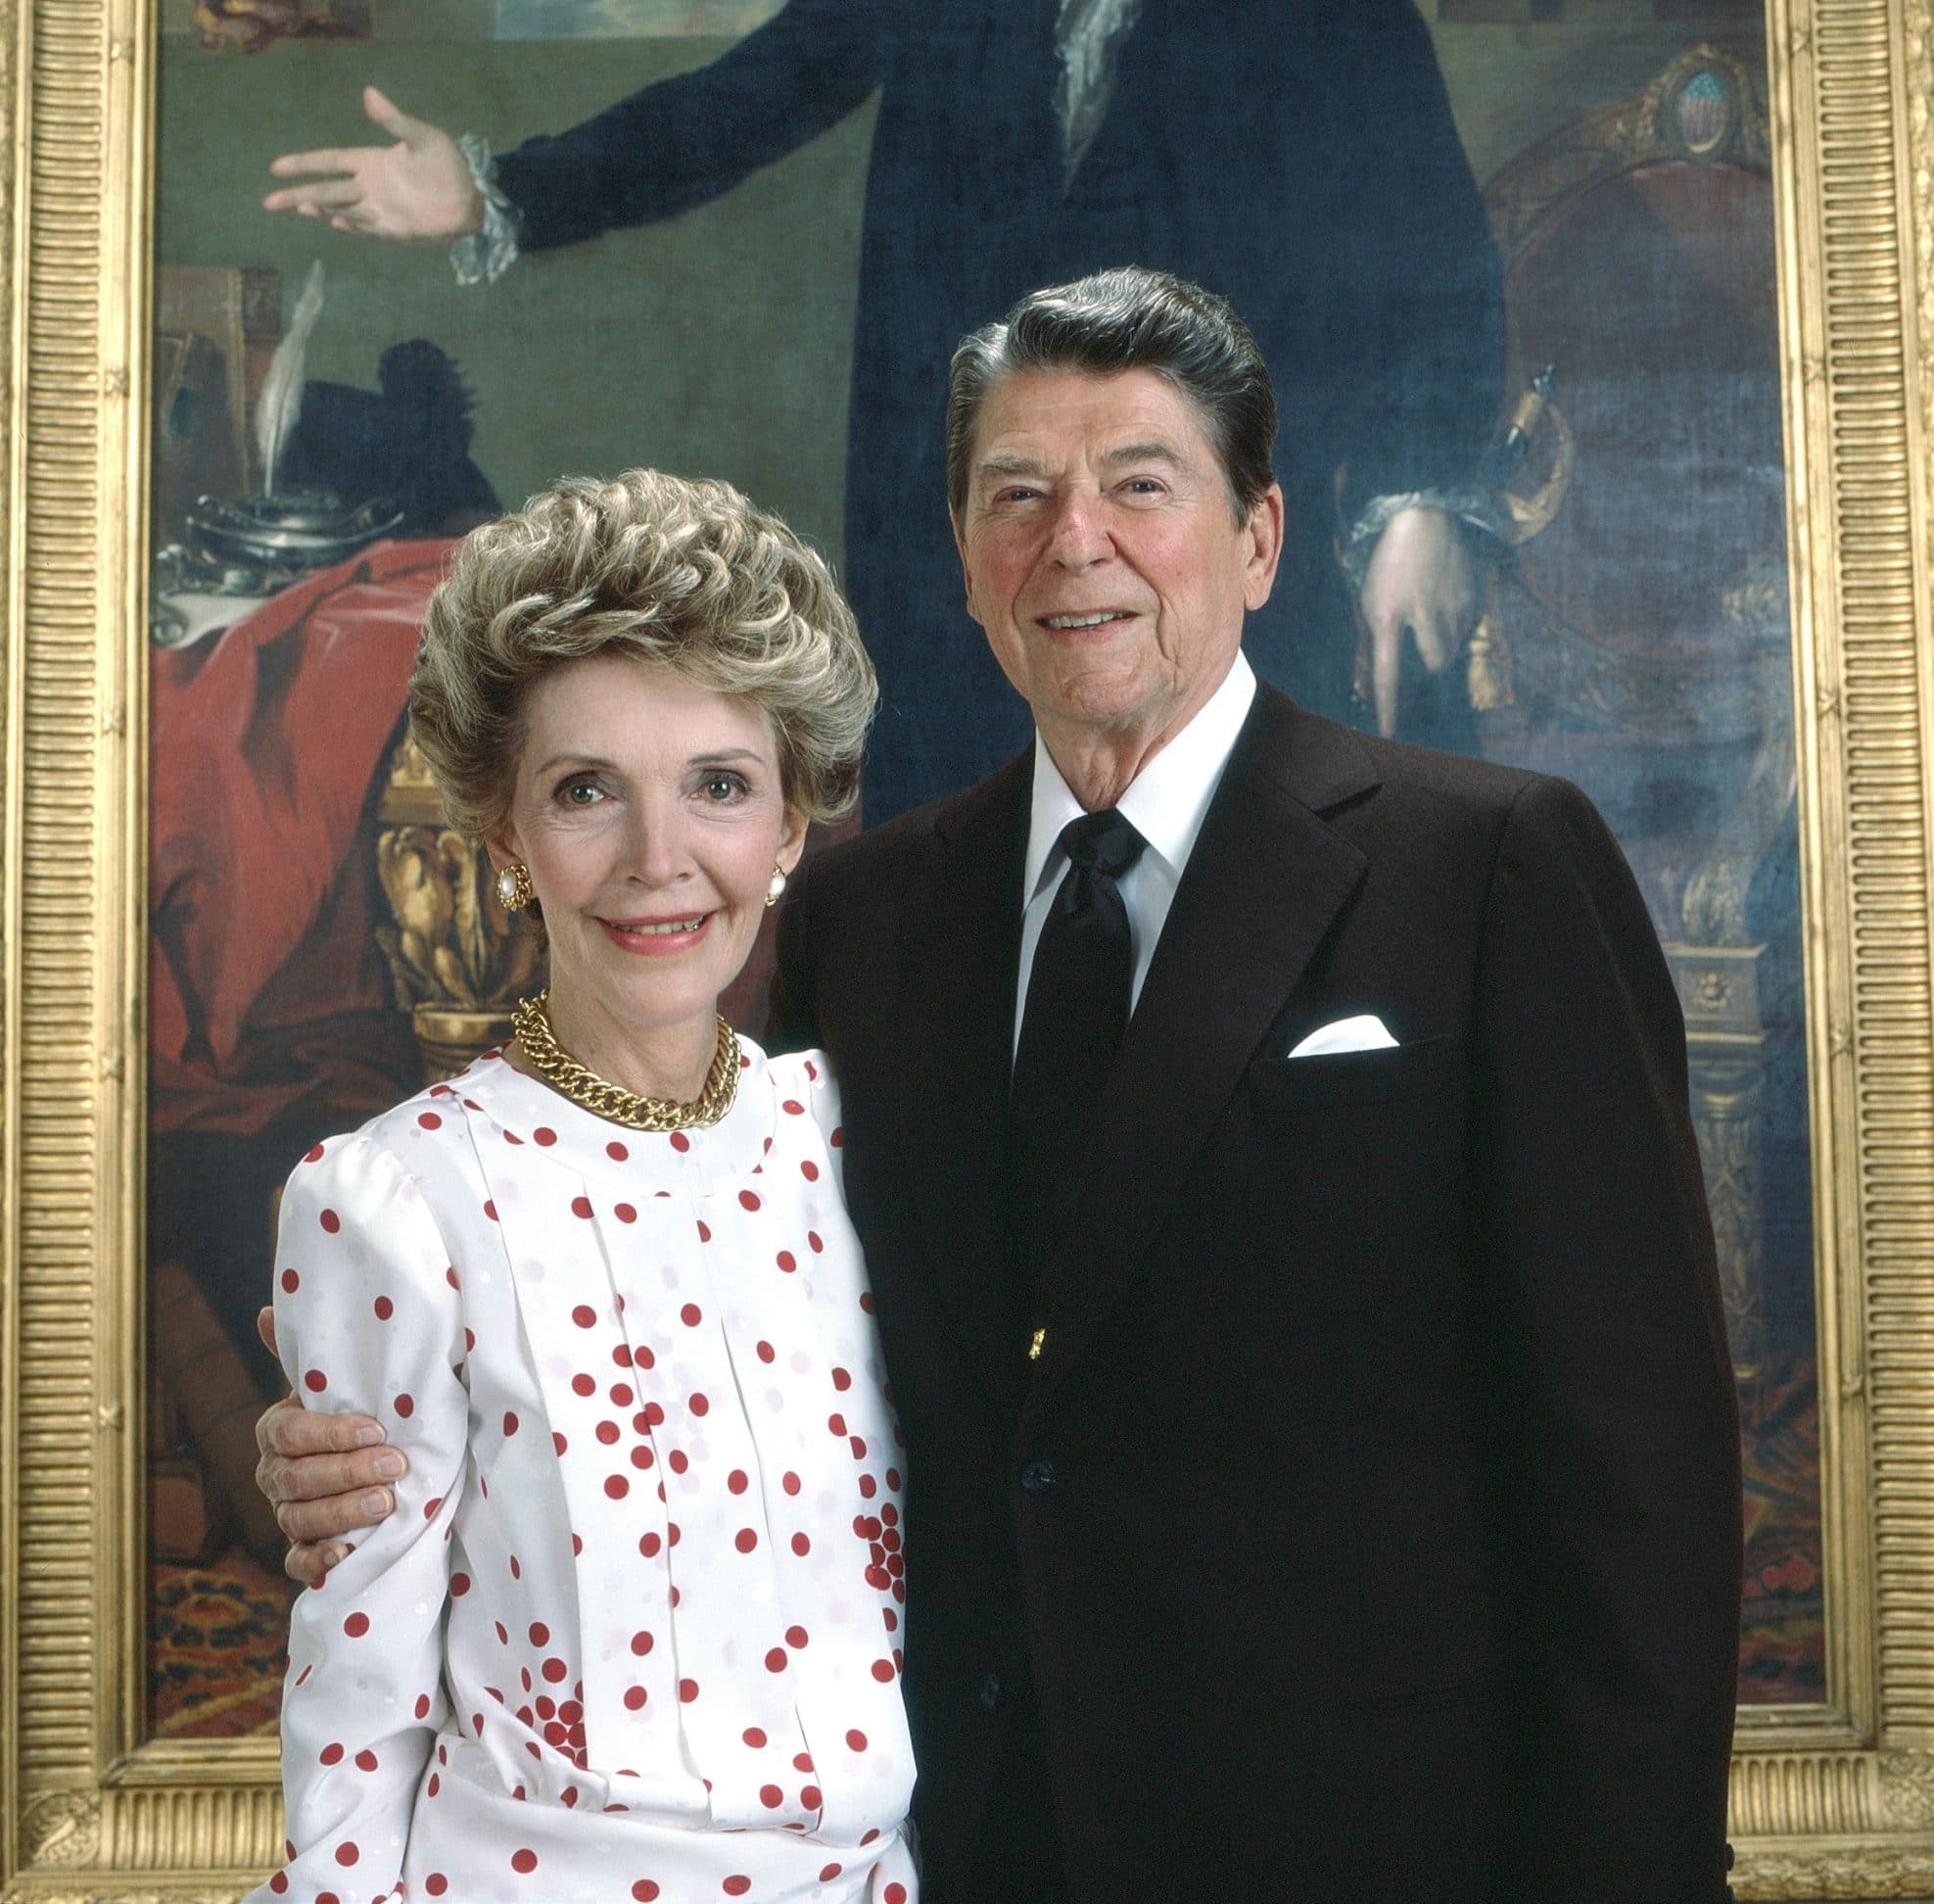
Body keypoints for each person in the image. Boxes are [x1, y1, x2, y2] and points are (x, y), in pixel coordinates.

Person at [261, 269, 1742, 1903]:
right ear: (967, 560)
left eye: (1140, 485)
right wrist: (374, 1435)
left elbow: (1640, 1474)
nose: (1075, 539)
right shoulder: (874, 913)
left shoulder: (1487, 866)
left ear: (1258, 538)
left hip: (1373, 1844)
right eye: (1017, 496)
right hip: (967, 1847)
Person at [261, 0, 1504, 821]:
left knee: (1230, 878)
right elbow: (722, 114)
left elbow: (1431, 269)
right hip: (972, 554)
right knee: (962, 886)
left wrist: (1420, 503)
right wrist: (489, 192)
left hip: (1208, 552)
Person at [248, 469, 917, 1904]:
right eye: (587, 791)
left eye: (720, 788)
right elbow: (359, 1707)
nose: (658, 862)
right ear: (504, 835)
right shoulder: (397, 1203)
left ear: (793, 826)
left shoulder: (870, 1144)